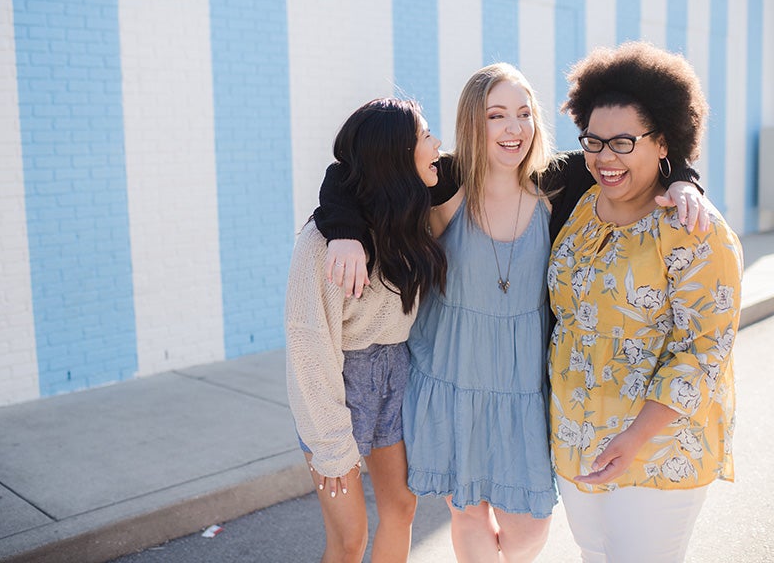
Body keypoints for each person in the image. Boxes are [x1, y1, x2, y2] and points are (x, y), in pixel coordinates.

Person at [312, 64, 714, 561]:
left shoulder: (560, 181)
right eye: (496, 115)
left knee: (528, 531)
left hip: (521, 389)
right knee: (468, 512)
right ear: (471, 124)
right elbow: (349, 175)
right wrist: (344, 232)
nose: (514, 128)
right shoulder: (444, 180)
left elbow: (634, 157)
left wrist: (684, 181)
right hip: (448, 377)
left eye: (524, 113)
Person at [547, 41, 742, 562]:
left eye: (623, 142)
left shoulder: (694, 228)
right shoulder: (580, 202)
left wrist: (634, 437)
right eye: (593, 140)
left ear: (663, 144)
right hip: (573, 435)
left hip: (658, 449)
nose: (605, 158)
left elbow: (703, 351)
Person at [285, 97, 446, 562]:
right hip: (337, 387)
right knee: (350, 537)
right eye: (425, 136)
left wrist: (675, 172)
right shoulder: (323, 244)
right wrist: (332, 445)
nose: (438, 145)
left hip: (395, 374)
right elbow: (308, 347)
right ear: (394, 156)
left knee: (401, 506)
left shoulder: (408, 217)